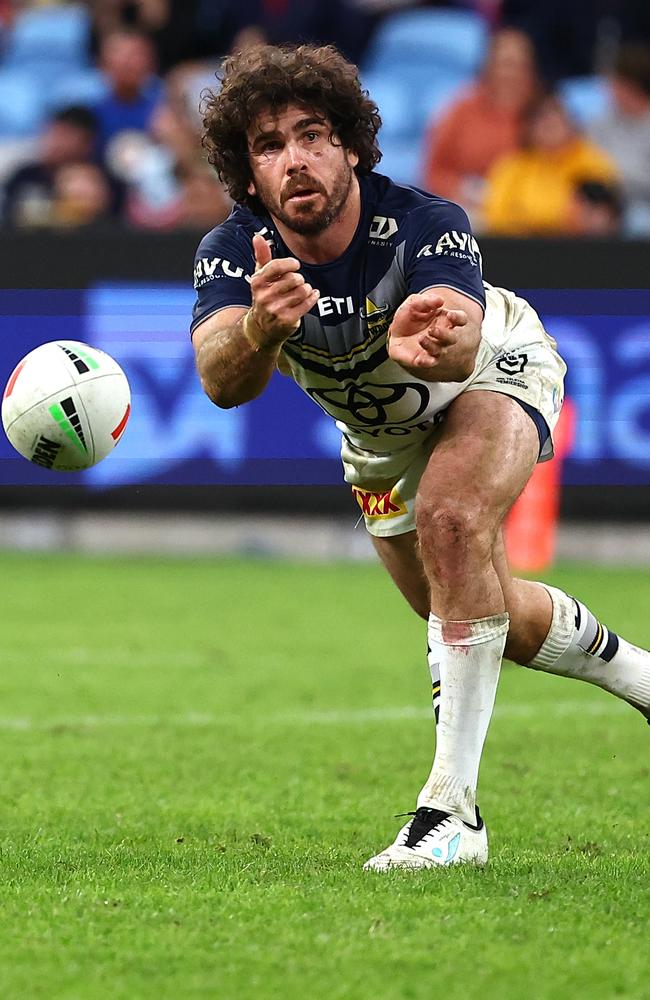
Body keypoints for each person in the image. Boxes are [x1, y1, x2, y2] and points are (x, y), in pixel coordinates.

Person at [191, 43, 650, 870]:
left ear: (352, 145)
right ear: (247, 172)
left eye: (313, 133)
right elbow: (221, 379)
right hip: (377, 445)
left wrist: (433, 338)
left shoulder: (423, 222)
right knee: (480, 614)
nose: (295, 158)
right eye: (268, 145)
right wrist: (259, 328)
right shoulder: (235, 251)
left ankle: (451, 815)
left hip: (494, 369)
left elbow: (461, 324)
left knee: (452, 517)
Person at [421, 28, 541, 226]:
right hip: (471, 209)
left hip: (532, 215)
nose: (511, 73)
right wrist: (463, 190)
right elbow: (434, 171)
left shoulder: (545, 111)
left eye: (520, 65)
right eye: (505, 64)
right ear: (488, 66)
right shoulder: (460, 110)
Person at [483, 93, 617, 235]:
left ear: (571, 123)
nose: (549, 125)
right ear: (528, 128)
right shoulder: (512, 166)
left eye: (556, 118)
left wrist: (531, 218)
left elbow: (600, 217)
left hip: (576, 247)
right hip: (521, 246)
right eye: (540, 120)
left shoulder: (593, 162)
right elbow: (495, 216)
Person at [590, 43, 650, 236]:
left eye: (615, 82)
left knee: (640, 220)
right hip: (605, 204)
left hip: (642, 205)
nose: (608, 88)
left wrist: (614, 175)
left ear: (632, 86)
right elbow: (589, 167)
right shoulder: (599, 124)